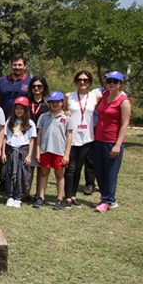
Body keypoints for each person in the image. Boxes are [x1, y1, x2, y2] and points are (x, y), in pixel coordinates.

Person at [93, 70, 130, 213]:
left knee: (110, 171)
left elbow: (125, 124)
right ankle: (107, 198)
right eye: (109, 81)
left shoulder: (124, 101)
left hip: (112, 141)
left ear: (121, 84)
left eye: (115, 82)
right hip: (99, 138)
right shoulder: (104, 95)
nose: (112, 84)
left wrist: (118, 145)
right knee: (99, 169)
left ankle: (108, 200)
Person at [34, 90, 74, 210]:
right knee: (44, 173)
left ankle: (59, 199)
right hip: (45, 150)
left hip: (59, 151)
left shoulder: (66, 117)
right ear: (48, 103)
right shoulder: (43, 116)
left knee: (59, 175)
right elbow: (39, 135)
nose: (55, 104)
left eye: (57, 102)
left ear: (62, 103)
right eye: (52, 102)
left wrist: (67, 154)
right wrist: (38, 151)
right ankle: (41, 197)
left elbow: (69, 136)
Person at [65, 70, 97, 201]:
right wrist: (65, 113)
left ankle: (73, 195)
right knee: (70, 167)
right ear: (75, 81)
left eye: (85, 80)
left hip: (88, 137)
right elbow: (60, 110)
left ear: (90, 82)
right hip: (72, 136)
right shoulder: (69, 96)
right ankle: (66, 195)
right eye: (79, 79)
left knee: (78, 167)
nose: (82, 82)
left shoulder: (96, 97)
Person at [0, 97, 35, 208]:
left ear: (25, 110)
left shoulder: (30, 123)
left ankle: (18, 196)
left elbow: (31, 140)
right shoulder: (10, 121)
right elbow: (5, 137)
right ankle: (10, 195)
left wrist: (29, 155)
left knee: (22, 174)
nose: (19, 111)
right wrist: (3, 152)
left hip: (22, 150)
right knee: (9, 173)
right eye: (17, 108)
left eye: (21, 108)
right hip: (10, 149)